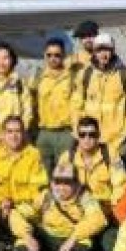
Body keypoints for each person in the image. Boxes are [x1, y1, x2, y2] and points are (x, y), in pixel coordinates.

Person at [9, 160, 108, 251]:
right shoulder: (46, 197)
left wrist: (73, 238)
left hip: (72, 250)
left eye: (67, 182)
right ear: (51, 183)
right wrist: (27, 237)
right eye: (57, 181)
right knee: (25, 232)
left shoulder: (84, 198)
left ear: (76, 183)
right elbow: (18, 213)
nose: (61, 187)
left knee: (84, 237)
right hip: (49, 245)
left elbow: (97, 218)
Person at [0, 116, 49, 245]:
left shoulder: (34, 155)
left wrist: (15, 205)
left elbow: (37, 188)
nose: (14, 136)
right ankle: (4, 239)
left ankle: (26, 235)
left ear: (24, 134)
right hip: (0, 205)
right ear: (3, 135)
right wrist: (1, 201)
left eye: (18, 131)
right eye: (9, 132)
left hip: (24, 206)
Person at [71, 31, 126, 166]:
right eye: (99, 50)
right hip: (91, 139)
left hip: (118, 140)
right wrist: (78, 131)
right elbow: (76, 105)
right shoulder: (85, 74)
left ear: (113, 51)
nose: (103, 54)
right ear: (94, 52)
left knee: (119, 175)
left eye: (107, 49)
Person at [60, 115, 125, 251]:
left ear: (98, 135)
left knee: (109, 240)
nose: (87, 138)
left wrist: (112, 205)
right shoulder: (67, 157)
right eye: (83, 134)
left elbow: (120, 184)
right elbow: (61, 190)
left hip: (104, 209)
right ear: (77, 136)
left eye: (92, 134)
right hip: (77, 209)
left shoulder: (111, 154)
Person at [32, 36, 78, 173]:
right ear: (44, 56)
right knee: (42, 174)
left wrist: (76, 132)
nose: (53, 58)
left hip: (65, 134)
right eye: (49, 55)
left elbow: (77, 106)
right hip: (44, 133)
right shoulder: (38, 77)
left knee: (64, 174)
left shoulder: (72, 77)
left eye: (57, 55)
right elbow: (31, 104)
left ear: (63, 56)